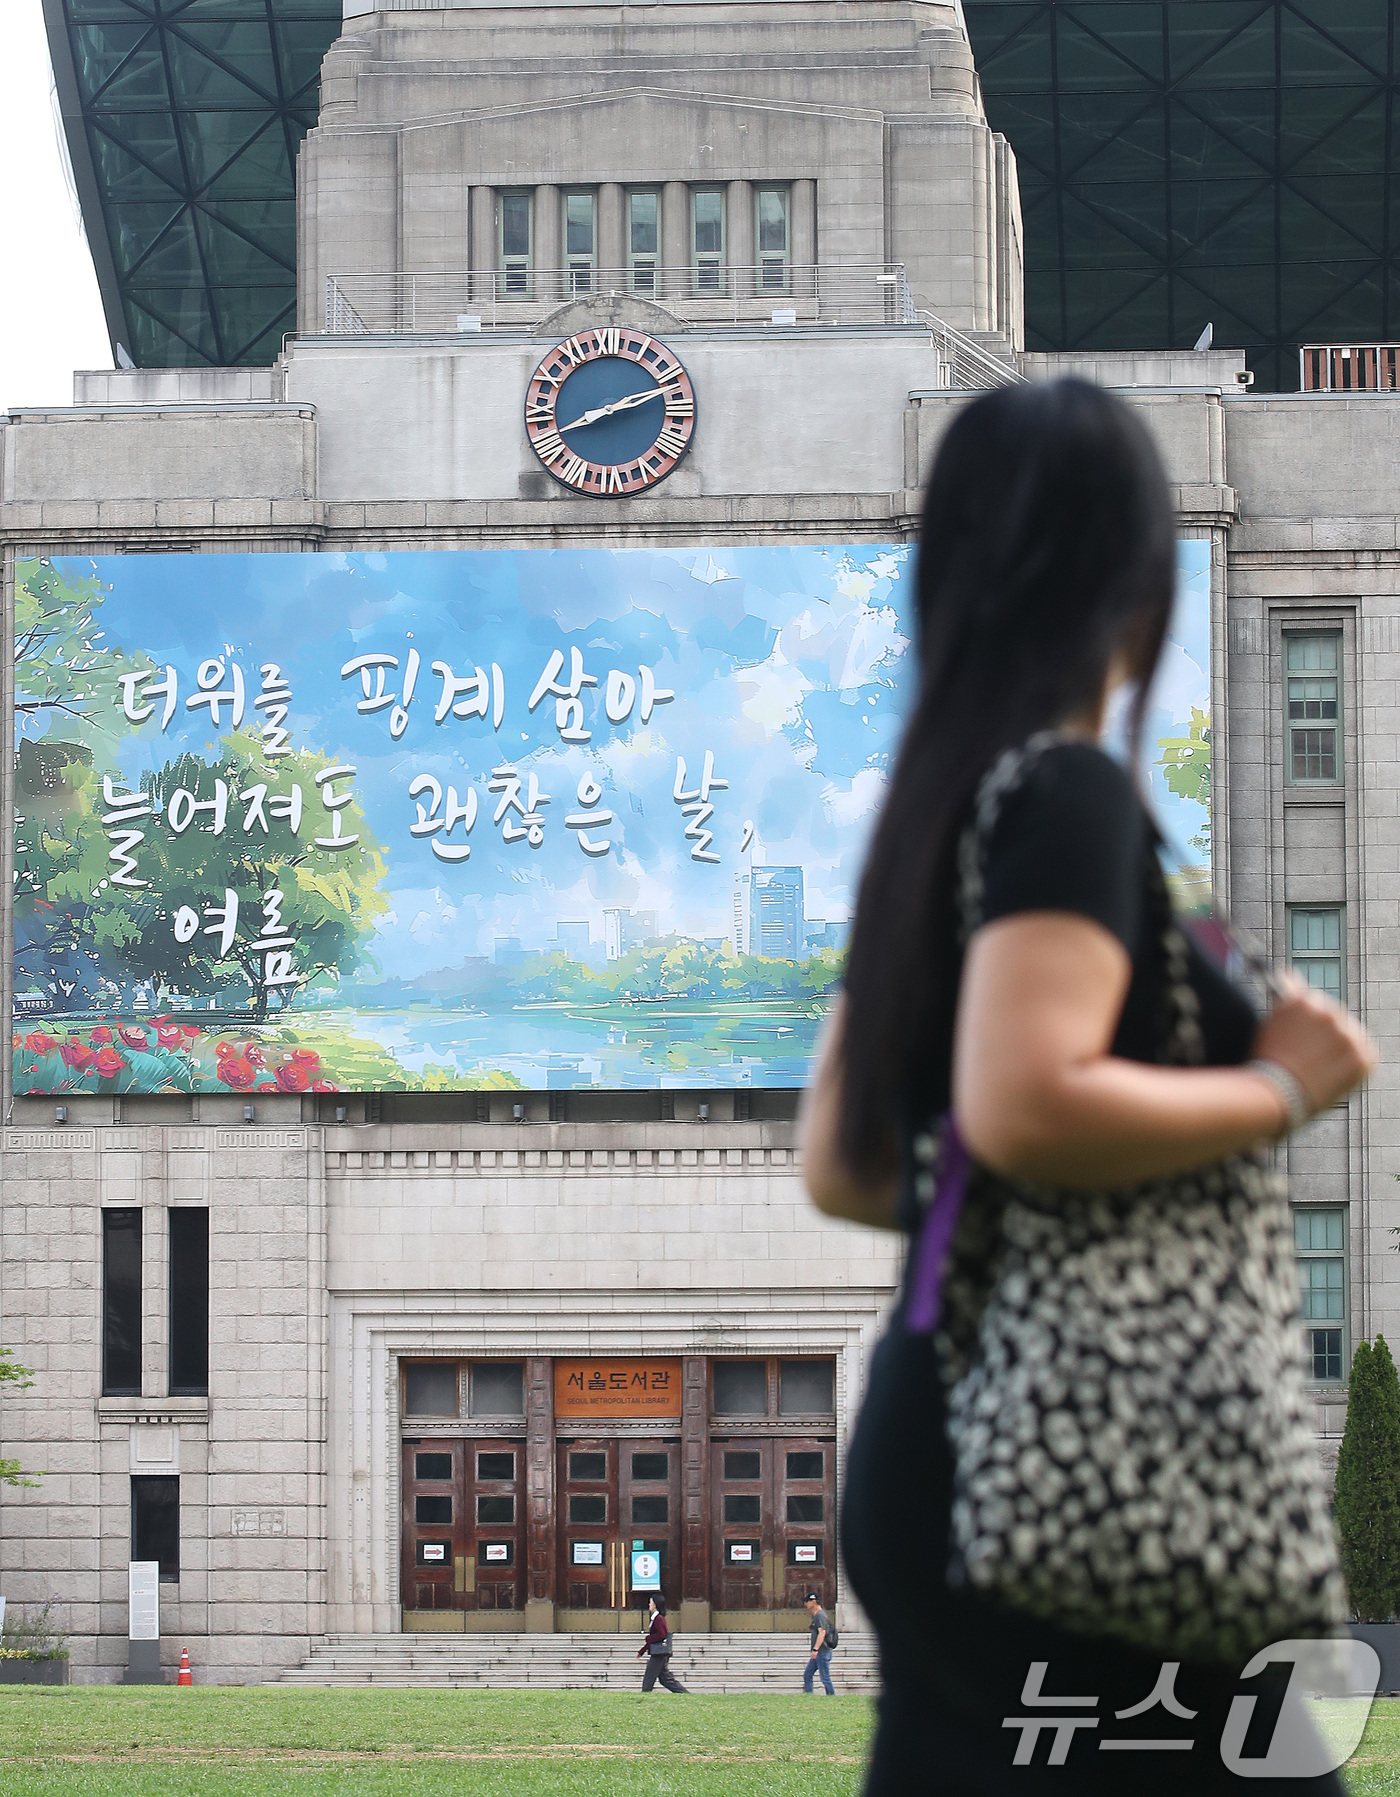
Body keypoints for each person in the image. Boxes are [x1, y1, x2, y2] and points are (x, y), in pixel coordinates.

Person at [799, 380, 1376, 1794]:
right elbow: (1027, 1101)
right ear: (1130, 582)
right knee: (1269, 1762)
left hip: (946, 1426)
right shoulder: (1067, 796)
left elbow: (848, 1161)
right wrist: (1282, 1086)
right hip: (1089, 1464)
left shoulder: (934, 812)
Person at [637, 1595, 688, 1693]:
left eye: (650, 1602)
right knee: (665, 1679)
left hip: (659, 1654)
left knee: (649, 1676)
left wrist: (648, 1638)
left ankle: (645, 1694)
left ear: (655, 1604)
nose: (649, 1604)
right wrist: (642, 1651)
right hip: (659, 1651)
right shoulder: (656, 1618)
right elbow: (653, 1639)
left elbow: (661, 1635)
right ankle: (684, 1693)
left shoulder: (658, 1618)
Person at [803, 1592, 835, 1695]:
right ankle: (809, 1695)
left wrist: (815, 1649)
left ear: (814, 1601)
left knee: (825, 1677)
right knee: (807, 1674)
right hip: (818, 1653)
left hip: (822, 1652)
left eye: (807, 1601)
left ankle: (831, 1696)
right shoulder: (816, 1615)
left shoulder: (820, 1615)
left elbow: (822, 1633)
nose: (805, 1604)